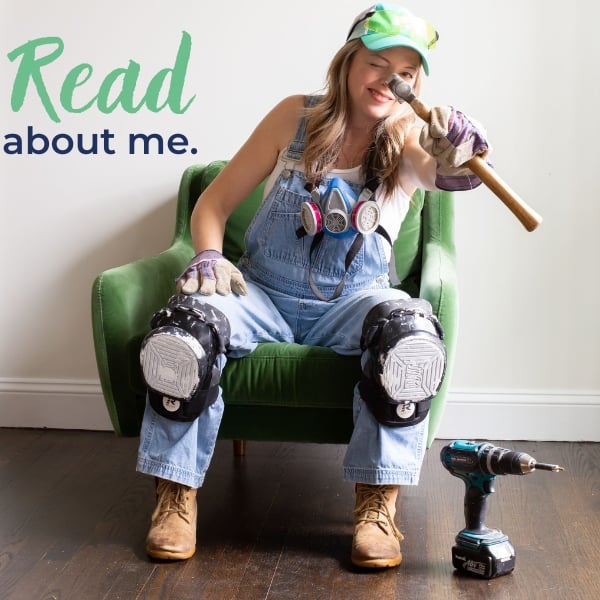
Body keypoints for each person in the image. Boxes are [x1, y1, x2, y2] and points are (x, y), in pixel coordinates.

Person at [136, 3, 490, 569]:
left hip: (355, 301)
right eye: (378, 62)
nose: (390, 79)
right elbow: (213, 204)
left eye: (407, 70)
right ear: (349, 62)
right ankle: (176, 492)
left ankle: (378, 504)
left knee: (408, 333)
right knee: (186, 326)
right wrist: (206, 254)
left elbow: (444, 172)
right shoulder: (292, 118)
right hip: (263, 293)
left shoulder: (409, 138)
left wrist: (462, 153)